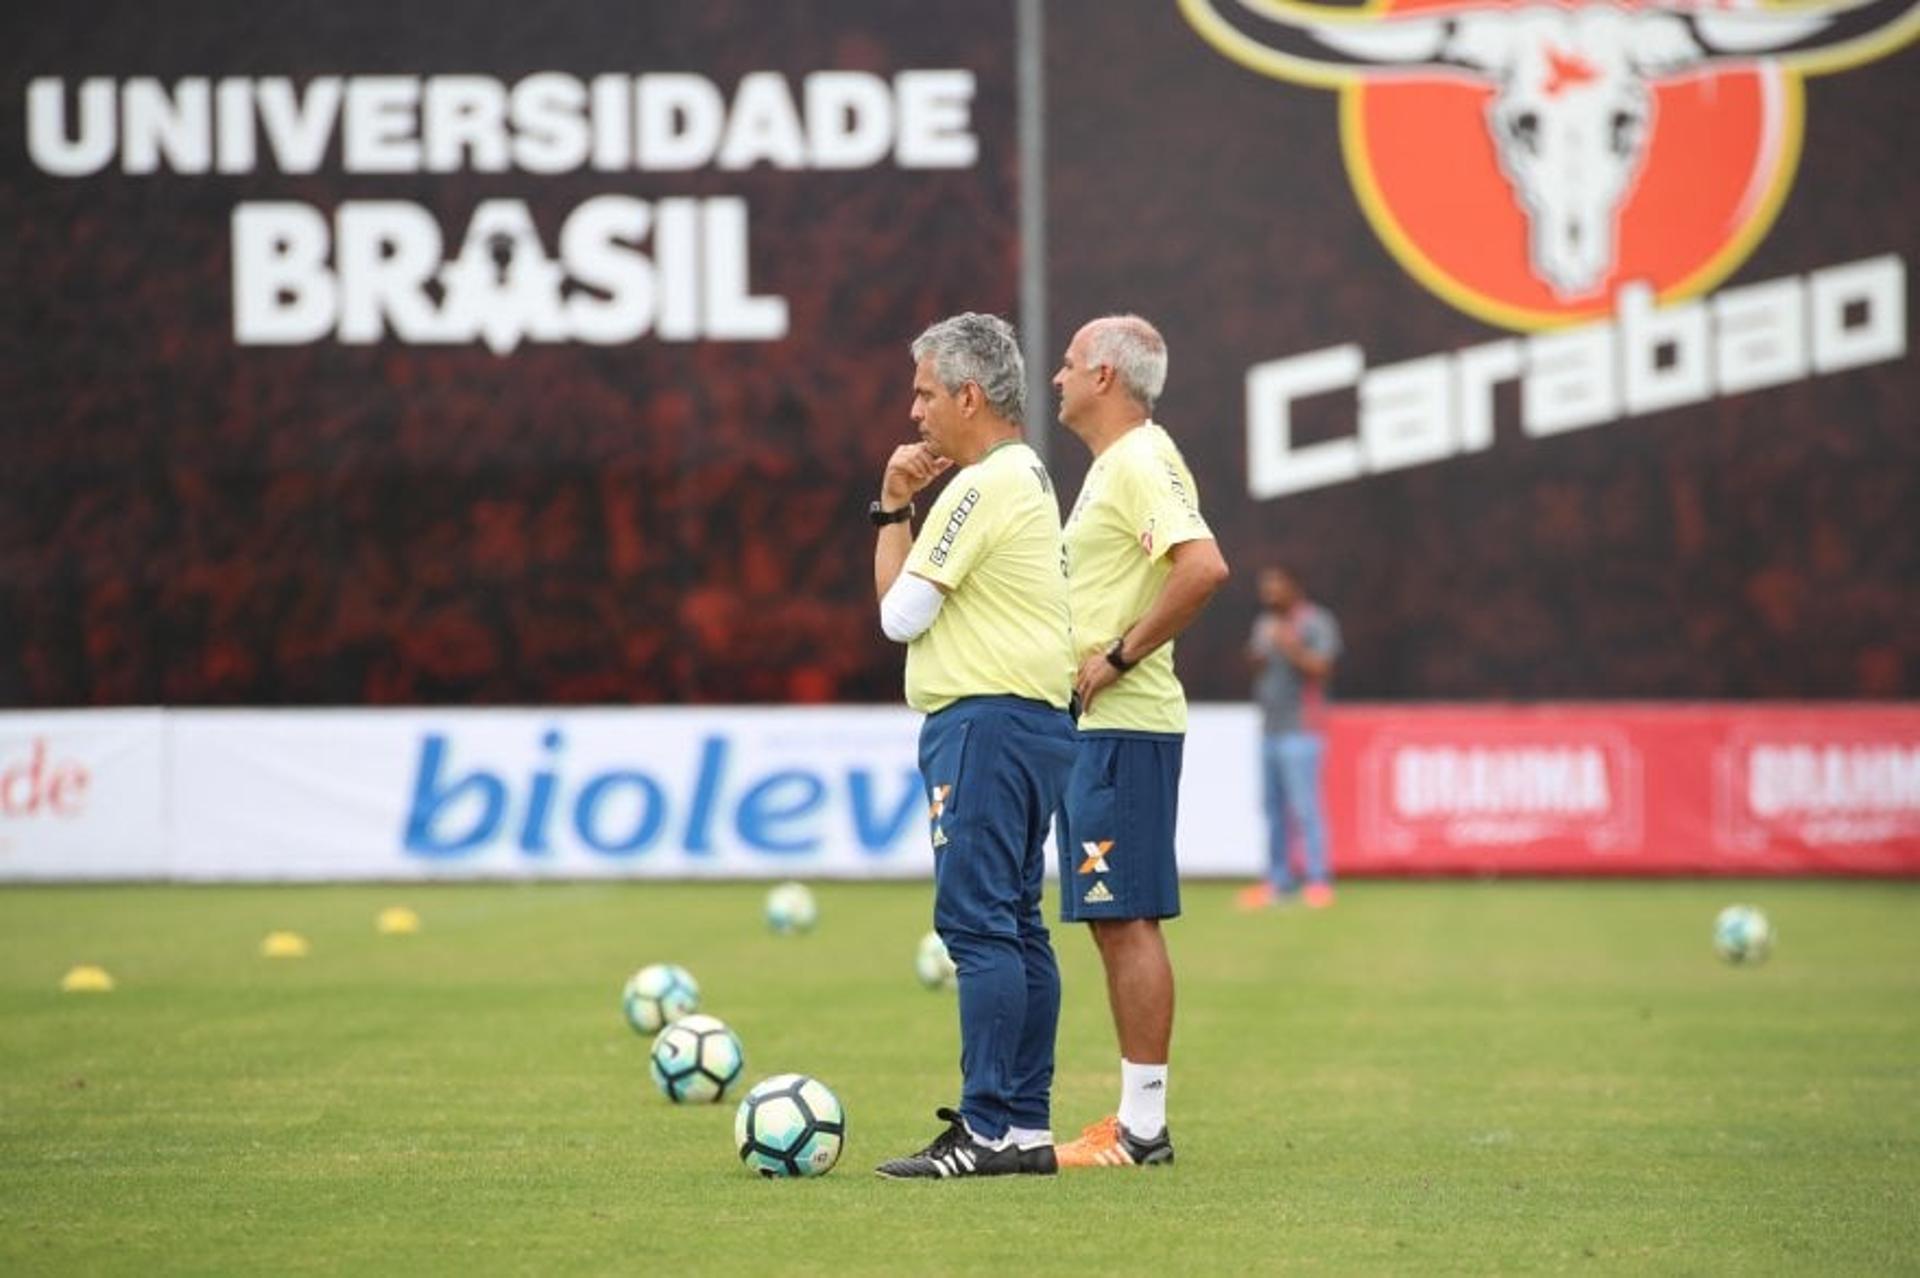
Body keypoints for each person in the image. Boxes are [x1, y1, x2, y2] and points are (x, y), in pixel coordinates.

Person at [870, 312, 1078, 1179]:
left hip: (985, 722)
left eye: (924, 392)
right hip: (1032, 722)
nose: (915, 412)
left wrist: (889, 506)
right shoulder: (1027, 476)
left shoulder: (982, 484)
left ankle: (987, 1128)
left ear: (968, 393)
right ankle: (1023, 1127)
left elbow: (899, 615)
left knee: (978, 925)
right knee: (1019, 924)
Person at [1048, 314, 1229, 1169]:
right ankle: (1135, 1124)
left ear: (1108, 378)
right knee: (1113, 919)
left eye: (1072, 363)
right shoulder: (1116, 466)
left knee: (1126, 920)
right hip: (1105, 731)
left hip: (1125, 726)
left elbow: (1203, 566)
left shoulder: (1140, 461)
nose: (1058, 375)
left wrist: (1117, 655)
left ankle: (1143, 1130)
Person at [1237, 565, 1342, 910]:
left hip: (1303, 728)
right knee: (1272, 809)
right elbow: (1254, 666)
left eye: (1275, 586)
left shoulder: (1316, 622)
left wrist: (1289, 645)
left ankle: (1317, 881)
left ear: (1293, 587)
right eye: (1264, 587)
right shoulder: (1263, 625)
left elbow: (1322, 668)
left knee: (1305, 807)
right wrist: (1259, 653)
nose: (1268, 594)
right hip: (1269, 727)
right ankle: (1278, 882)